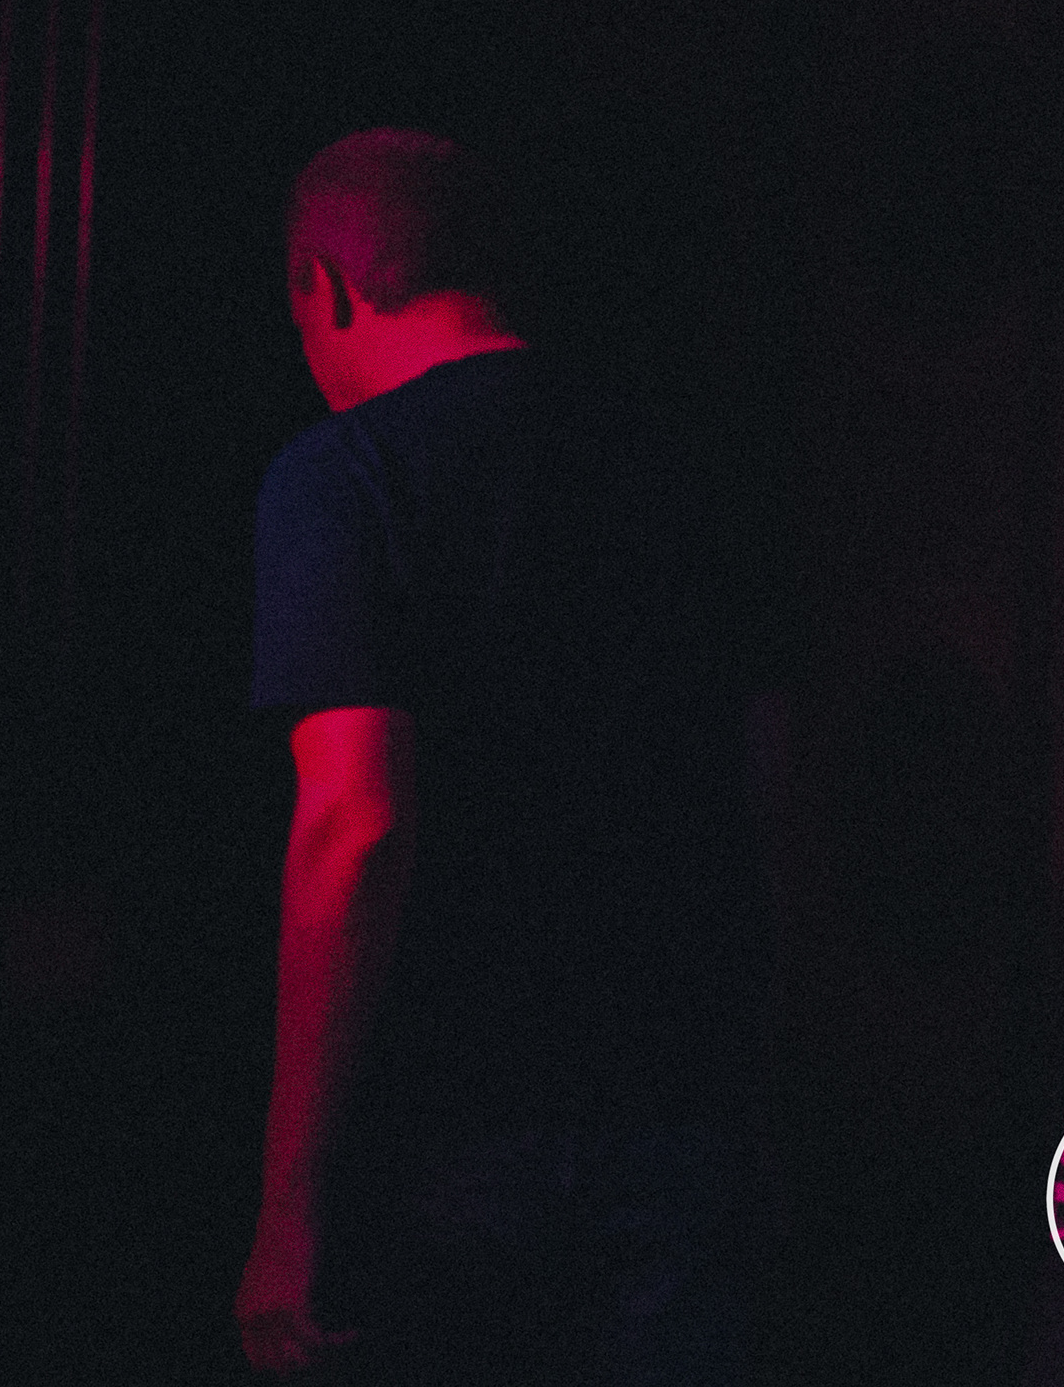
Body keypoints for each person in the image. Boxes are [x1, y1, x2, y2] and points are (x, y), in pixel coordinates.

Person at [237, 129, 766, 1383]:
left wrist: (288, 1199)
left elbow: (354, 823)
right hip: (684, 1103)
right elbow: (766, 776)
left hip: (452, 1129)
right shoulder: (679, 461)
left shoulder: (343, 477)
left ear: (325, 285)